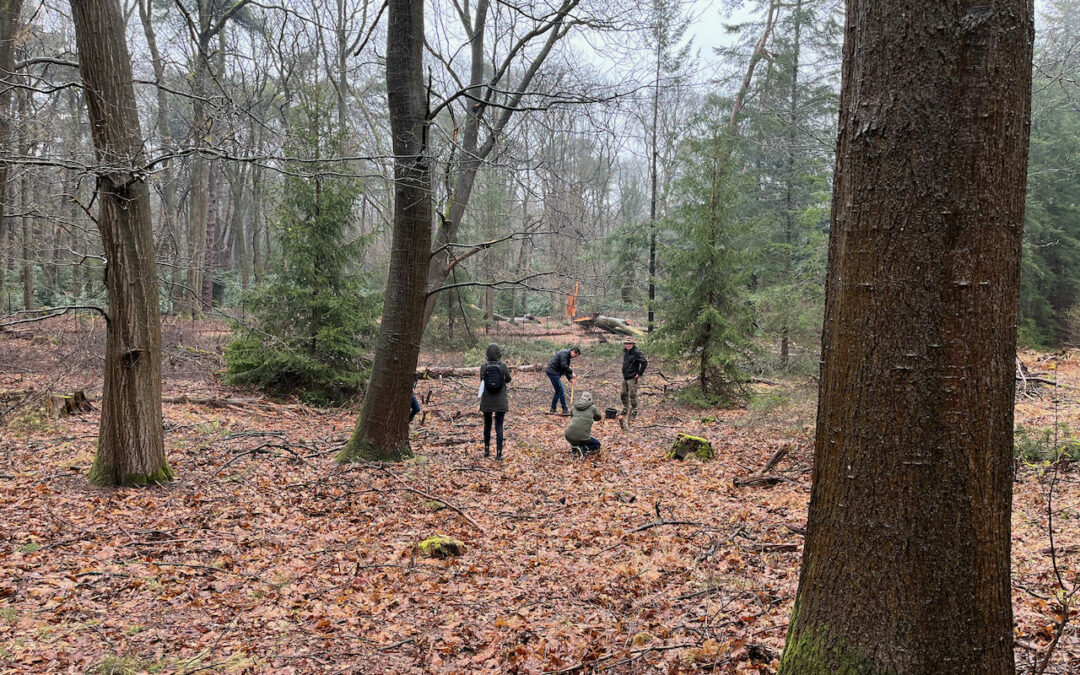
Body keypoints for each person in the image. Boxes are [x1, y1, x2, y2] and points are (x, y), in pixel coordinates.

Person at [479, 343, 511, 460]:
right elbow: (508, 379)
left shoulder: (483, 366)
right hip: (500, 400)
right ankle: (499, 454)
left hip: (487, 400)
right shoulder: (503, 366)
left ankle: (486, 451)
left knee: (487, 425)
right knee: (499, 427)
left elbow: (482, 379)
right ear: (499, 353)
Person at [565, 391, 602, 455]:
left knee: (575, 436)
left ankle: (574, 450)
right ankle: (583, 449)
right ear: (590, 399)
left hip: (568, 434)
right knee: (597, 444)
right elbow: (599, 417)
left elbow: (572, 417)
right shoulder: (592, 408)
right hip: (582, 437)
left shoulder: (574, 406)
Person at [545, 346, 580, 414]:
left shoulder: (568, 357)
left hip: (555, 373)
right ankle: (565, 410)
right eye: (575, 355)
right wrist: (571, 372)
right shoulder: (564, 353)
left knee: (558, 391)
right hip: (552, 372)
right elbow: (564, 365)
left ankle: (553, 409)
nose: (575, 357)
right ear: (572, 351)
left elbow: (565, 369)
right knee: (561, 391)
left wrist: (570, 379)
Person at [620, 338, 648, 419]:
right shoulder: (625, 351)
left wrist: (639, 373)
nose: (628, 345)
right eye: (626, 343)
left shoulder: (636, 352)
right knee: (623, 393)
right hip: (625, 376)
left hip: (632, 377)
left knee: (632, 394)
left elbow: (644, 362)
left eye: (630, 344)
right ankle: (625, 409)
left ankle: (634, 410)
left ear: (633, 344)